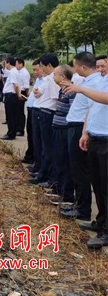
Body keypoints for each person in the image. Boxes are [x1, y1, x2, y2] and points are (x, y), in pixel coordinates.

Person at [60, 52, 104, 222]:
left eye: (75, 66)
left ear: (83, 67)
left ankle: (83, 208)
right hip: (79, 127)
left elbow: (93, 108)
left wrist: (85, 132)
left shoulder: (95, 83)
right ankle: (79, 204)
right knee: (77, 169)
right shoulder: (87, 82)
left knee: (81, 171)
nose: (74, 69)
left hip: (82, 127)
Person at [65, 76, 108, 248]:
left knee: (107, 187)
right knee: (98, 186)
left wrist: (81, 89)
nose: (101, 69)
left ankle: (107, 232)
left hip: (106, 141)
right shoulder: (103, 81)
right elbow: (93, 107)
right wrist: (85, 132)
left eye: (103, 65)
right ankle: (101, 222)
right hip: (95, 138)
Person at [29, 53, 60, 189]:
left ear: (49, 65)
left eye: (42, 66)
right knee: (43, 146)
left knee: (48, 147)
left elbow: (56, 98)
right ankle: (43, 172)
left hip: (49, 113)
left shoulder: (54, 79)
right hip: (43, 111)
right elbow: (37, 93)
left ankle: (48, 176)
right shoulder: (48, 78)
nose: (41, 69)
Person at [49, 65, 76, 207]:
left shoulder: (72, 92)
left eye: (55, 74)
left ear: (63, 77)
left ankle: (67, 195)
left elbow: (73, 111)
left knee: (65, 162)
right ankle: (58, 190)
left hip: (65, 129)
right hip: (57, 128)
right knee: (58, 160)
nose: (53, 77)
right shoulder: (62, 90)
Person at [22, 59, 42, 165]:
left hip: (37, 110)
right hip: (31, 109)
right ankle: (30, 155)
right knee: (30, 134)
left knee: (35, 137)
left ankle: (34, 158)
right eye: (33, 70)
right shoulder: (38, 79)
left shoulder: (46, 80)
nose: (35, 72)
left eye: (37, 70)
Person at [1, 57, 20, 140]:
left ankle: (11, 134)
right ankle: (12, 132)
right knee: (13, 116)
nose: (5, 65)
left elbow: (16, 85)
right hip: (12, 95)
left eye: (5, 63)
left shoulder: (12, 72)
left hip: (11, 95)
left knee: (11, 116)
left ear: (8, 63)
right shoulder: (15, 71)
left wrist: (18, 95)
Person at [15, 58, 30, 136]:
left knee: (20, 111)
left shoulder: (24, 73)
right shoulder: (19, 72)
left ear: (21, 64)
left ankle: (21, 129)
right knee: (17, 111)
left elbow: (26, 86)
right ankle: (17, 127)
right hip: (19, 91)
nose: (16, 66)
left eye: (16, 64)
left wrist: (26, 94)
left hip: (22, 92)